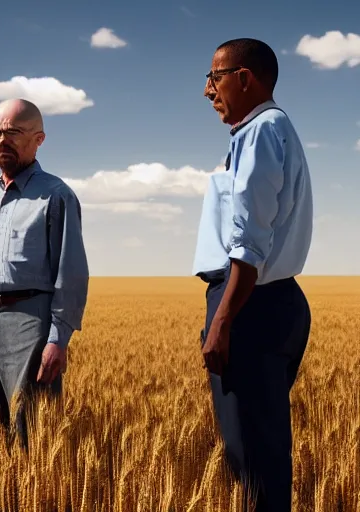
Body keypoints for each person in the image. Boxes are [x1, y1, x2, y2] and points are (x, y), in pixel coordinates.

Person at [193, 38, 313, 511]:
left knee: (252, 465)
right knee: (261, 453)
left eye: (214, 77)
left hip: (250, 305)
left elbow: (248, 241)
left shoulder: (261, 130)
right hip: (270, 300)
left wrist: (222, 320)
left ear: (244, 78)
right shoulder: (271, 130)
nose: (207, 90)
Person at [0, 98, 89, 450]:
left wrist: (57, 339)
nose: (1, 140)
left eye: (13, 132)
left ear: (38, 139)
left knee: (31, 431)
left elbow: (70, 274)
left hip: (29, 318)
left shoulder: (56, 195)